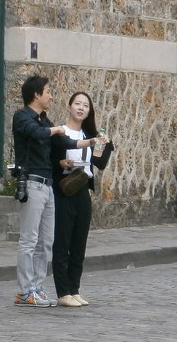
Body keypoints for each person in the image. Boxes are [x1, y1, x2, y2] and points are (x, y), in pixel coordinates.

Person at [50, 91, 114, 306]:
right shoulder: (60, 133)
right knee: (62, 241)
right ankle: (63, 292)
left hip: (83, 191)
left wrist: (107, 145)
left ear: (89, 111)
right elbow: (52, 161)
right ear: (69, 106)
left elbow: (100, 164)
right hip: (63, 190)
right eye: (77, 103)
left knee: (79, 242)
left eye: (85, 106)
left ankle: (74, 289)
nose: (81, 108)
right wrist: (62, 164)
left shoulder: (90, 135)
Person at [12, 75, 70, 307]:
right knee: (29, 240)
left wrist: (90, 142)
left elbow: (64, 144)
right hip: (32, 183)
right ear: (36, 94)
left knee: (46, 242)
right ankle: (25, 291)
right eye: (48, 91)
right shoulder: (23, 116)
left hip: (48, 186)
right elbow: (35, 133)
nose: (51, 96)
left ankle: (37, 286)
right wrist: (57, 130)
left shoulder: (45, 121)